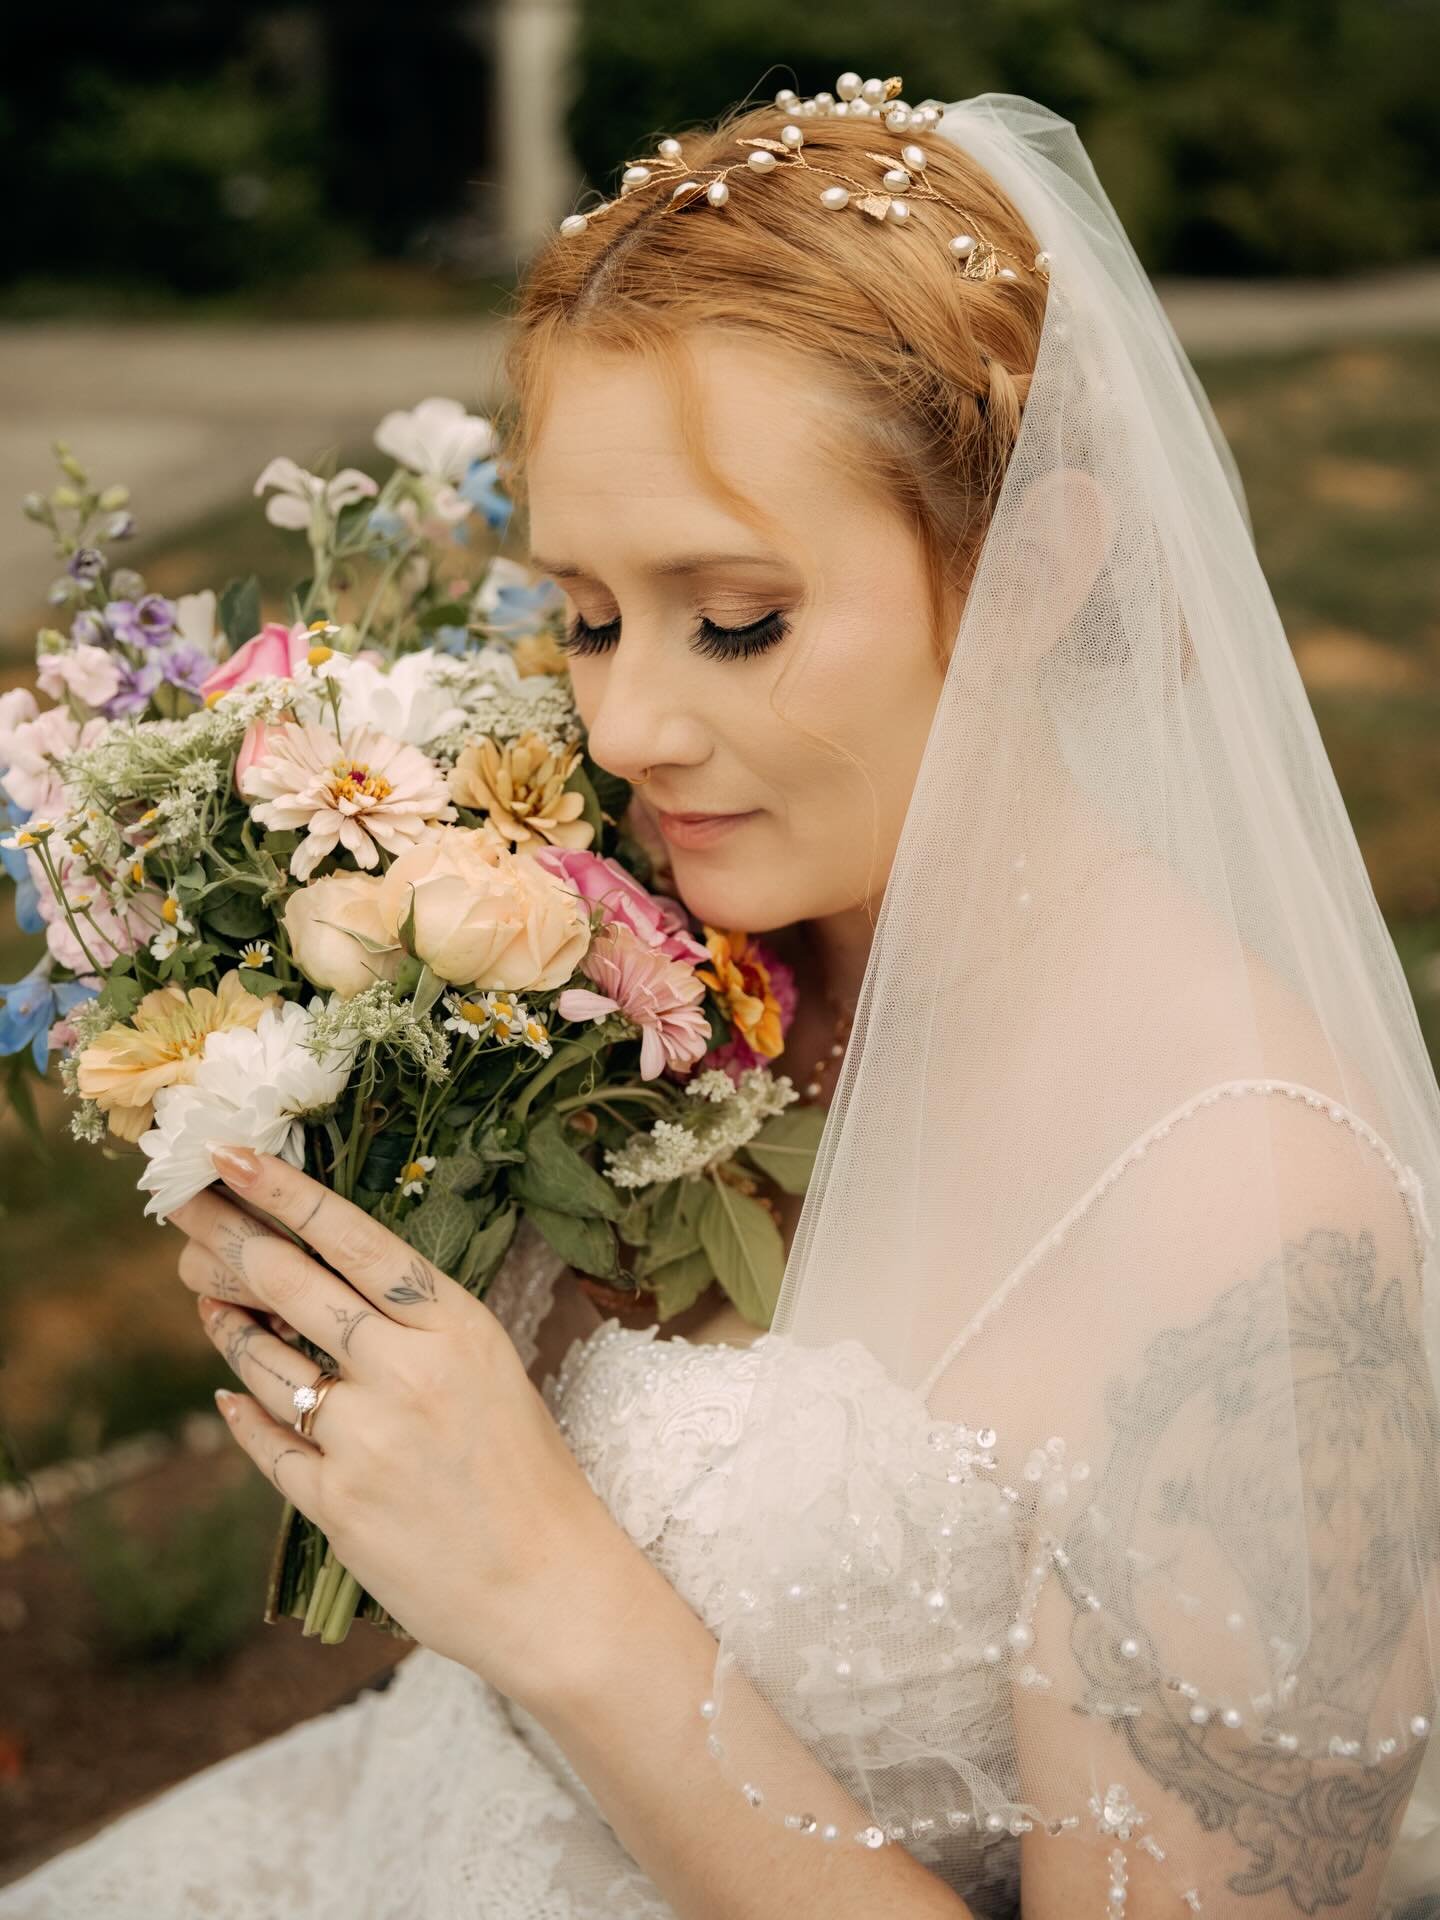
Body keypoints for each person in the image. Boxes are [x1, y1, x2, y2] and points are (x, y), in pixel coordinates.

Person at [4, 72, 1440, 1920]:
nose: (621, 727)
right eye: (588, 616)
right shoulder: (652, 956)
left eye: (737, 617)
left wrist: (551, 1595)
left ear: (1032, 573)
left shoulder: (1256, 1229)